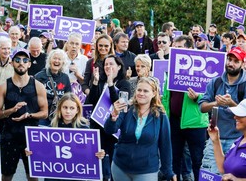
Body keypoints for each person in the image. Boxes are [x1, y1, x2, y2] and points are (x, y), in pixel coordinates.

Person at [104, 77, 176, 181]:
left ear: (154, 93)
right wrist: (114, 115)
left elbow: (165, 145)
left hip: (147, 171)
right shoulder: (126, 108)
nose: (141, 93)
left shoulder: (160, 116)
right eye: (139, 90)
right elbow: (109, 130)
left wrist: (168, 171)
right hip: (120, 167)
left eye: (146, 91)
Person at [0, 48, 48, 181]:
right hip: (9, 136)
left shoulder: (38, 86)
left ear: (29, 64)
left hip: (31, 137)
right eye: (17, 60)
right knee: (6, 175)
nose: (21, 63)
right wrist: (11, 110)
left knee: (33, 175)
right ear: (12, 63)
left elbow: (45, 113)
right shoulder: (3, 86)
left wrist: (29, 115)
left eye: (25, 60)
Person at [25, 93, 105, 181]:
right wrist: (32, 150)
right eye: (65, 107)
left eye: (72, 108)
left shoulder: (84, 129)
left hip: (75, 177)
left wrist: (99, 153)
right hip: (54, 177)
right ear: (60, 108)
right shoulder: (51, 128)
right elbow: (44, 150)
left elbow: (90, 153)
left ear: (77, 110)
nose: (68, 111)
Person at [162, 35, 208, 181]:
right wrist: (164, 112)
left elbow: (210, 94)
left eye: (179, 48)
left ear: (189, 49)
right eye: (174, 47)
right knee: (174, 158)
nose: (175, 50)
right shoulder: (172, 67)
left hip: (195, 122)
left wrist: (198, 97)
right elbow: (166, 95)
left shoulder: (202, 68)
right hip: (174, 121)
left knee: (197, 160)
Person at [199, 47, 246, 174]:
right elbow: (202, 107)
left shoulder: (244, 85)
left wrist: (232, 104)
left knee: (232, 176)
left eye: (236, 61)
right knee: (209, 175)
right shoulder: (215, 82)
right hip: (214, 138)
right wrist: (216, 103)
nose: (231, 63)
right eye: (229, 59)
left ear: (243, 63)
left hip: (237, 142)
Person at [87, 54, 131, 180]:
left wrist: (111, 85)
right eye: (106, 64)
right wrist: (95, 83)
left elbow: (120, 105)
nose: (108, 66)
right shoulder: (100, 80)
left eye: (111, 64)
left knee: (112, 166)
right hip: (98, 127)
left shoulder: (124, 83)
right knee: (98, 162)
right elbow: (92, 102)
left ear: (119, 66)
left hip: (113, 130)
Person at [208, 99, 246, 180]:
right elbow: (223, 168)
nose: (235, 117)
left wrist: (237, 180)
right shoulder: (239, 140)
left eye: (241, 115)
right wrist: (216, 140)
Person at [35, 49, 71, 126]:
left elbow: (69, 97)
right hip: (42, 116)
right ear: (49, 60)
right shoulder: (39, 76)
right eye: (54, 58)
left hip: (58, 116)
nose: (57, 61)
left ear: (63, 62)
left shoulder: (65, 78)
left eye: (59, 59)